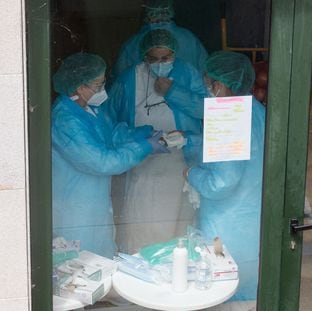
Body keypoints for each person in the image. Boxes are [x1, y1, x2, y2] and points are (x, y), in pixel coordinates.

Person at [52, 52, 168, 258]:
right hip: (75, 208)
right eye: (98, 85)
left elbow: (113, 133)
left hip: (94, 202)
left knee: (100, 260)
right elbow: (102, 162)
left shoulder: (88, 109)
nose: (102, 89)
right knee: (80, 269)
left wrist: (145, 133)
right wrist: (144, 147)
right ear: (80, 87)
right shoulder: (65, 120)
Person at [107, 28, 207, 254]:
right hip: (143, 164)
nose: (161, 63)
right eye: (154, 59)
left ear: (175, 54)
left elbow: (206, 109)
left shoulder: (187, 73)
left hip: (181, 163)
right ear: (144, 57)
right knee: (143, 222)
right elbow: (110, 122)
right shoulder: (128, 80)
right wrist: (139, 139)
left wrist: (173, 92)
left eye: (166, 58)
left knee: (178, 225)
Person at [184, 51, 266, 301]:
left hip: (226, 225)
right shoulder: (257, 111)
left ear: (219, 84)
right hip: (251, 219)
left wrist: (191, 173)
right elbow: (238, 152)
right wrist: (189, 140)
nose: (207, 88)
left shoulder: (228, 116)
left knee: (223, 286)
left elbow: (220, 183)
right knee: (250, 290)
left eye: (209, 83)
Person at [110, 0, 208, 82]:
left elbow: (119, 79)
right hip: (187, 100)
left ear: (147, 13)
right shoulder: (188, 37)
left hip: (142, 102)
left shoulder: (133, 42)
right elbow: (205, 72)